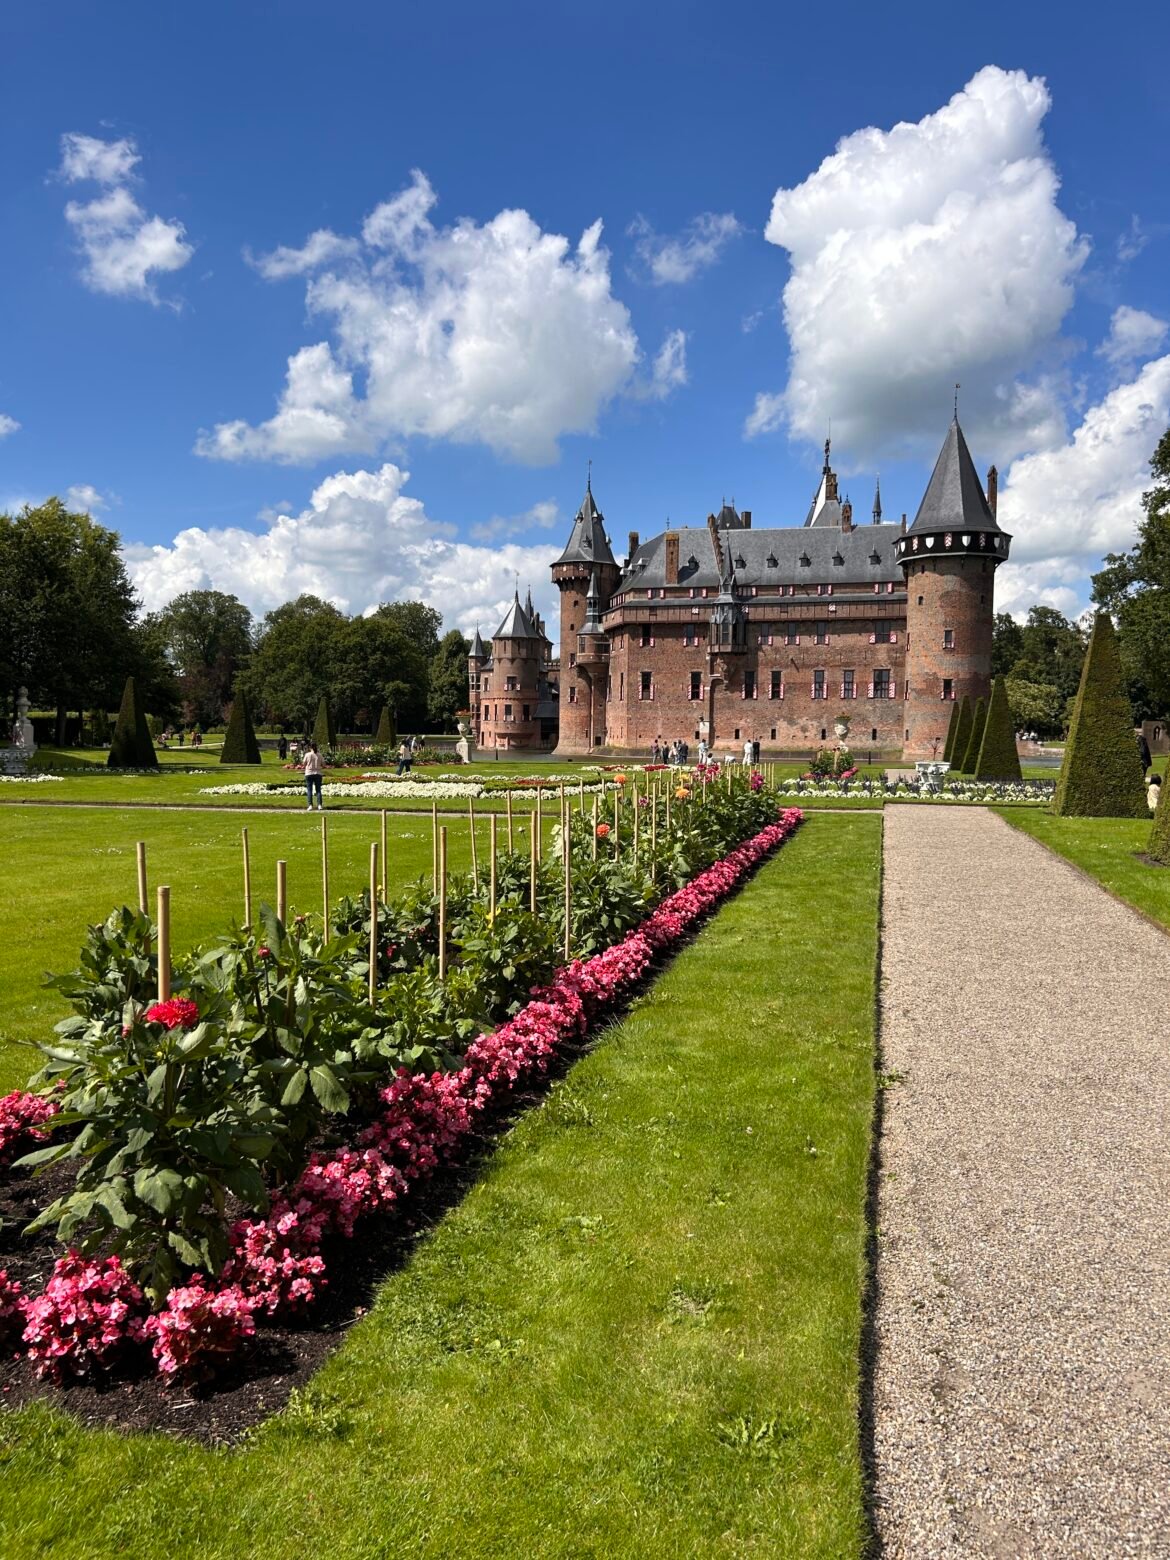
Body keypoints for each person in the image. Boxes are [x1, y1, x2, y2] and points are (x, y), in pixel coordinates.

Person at [303, 742, 324, 810]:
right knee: (318, 790)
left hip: (309, 773)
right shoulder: (319, 755)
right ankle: (319, 805)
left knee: (309, 790)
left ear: (310, 747)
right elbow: (323, 764)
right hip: (318, 773)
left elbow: (304, 763)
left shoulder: (307, 754)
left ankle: (310, 805)